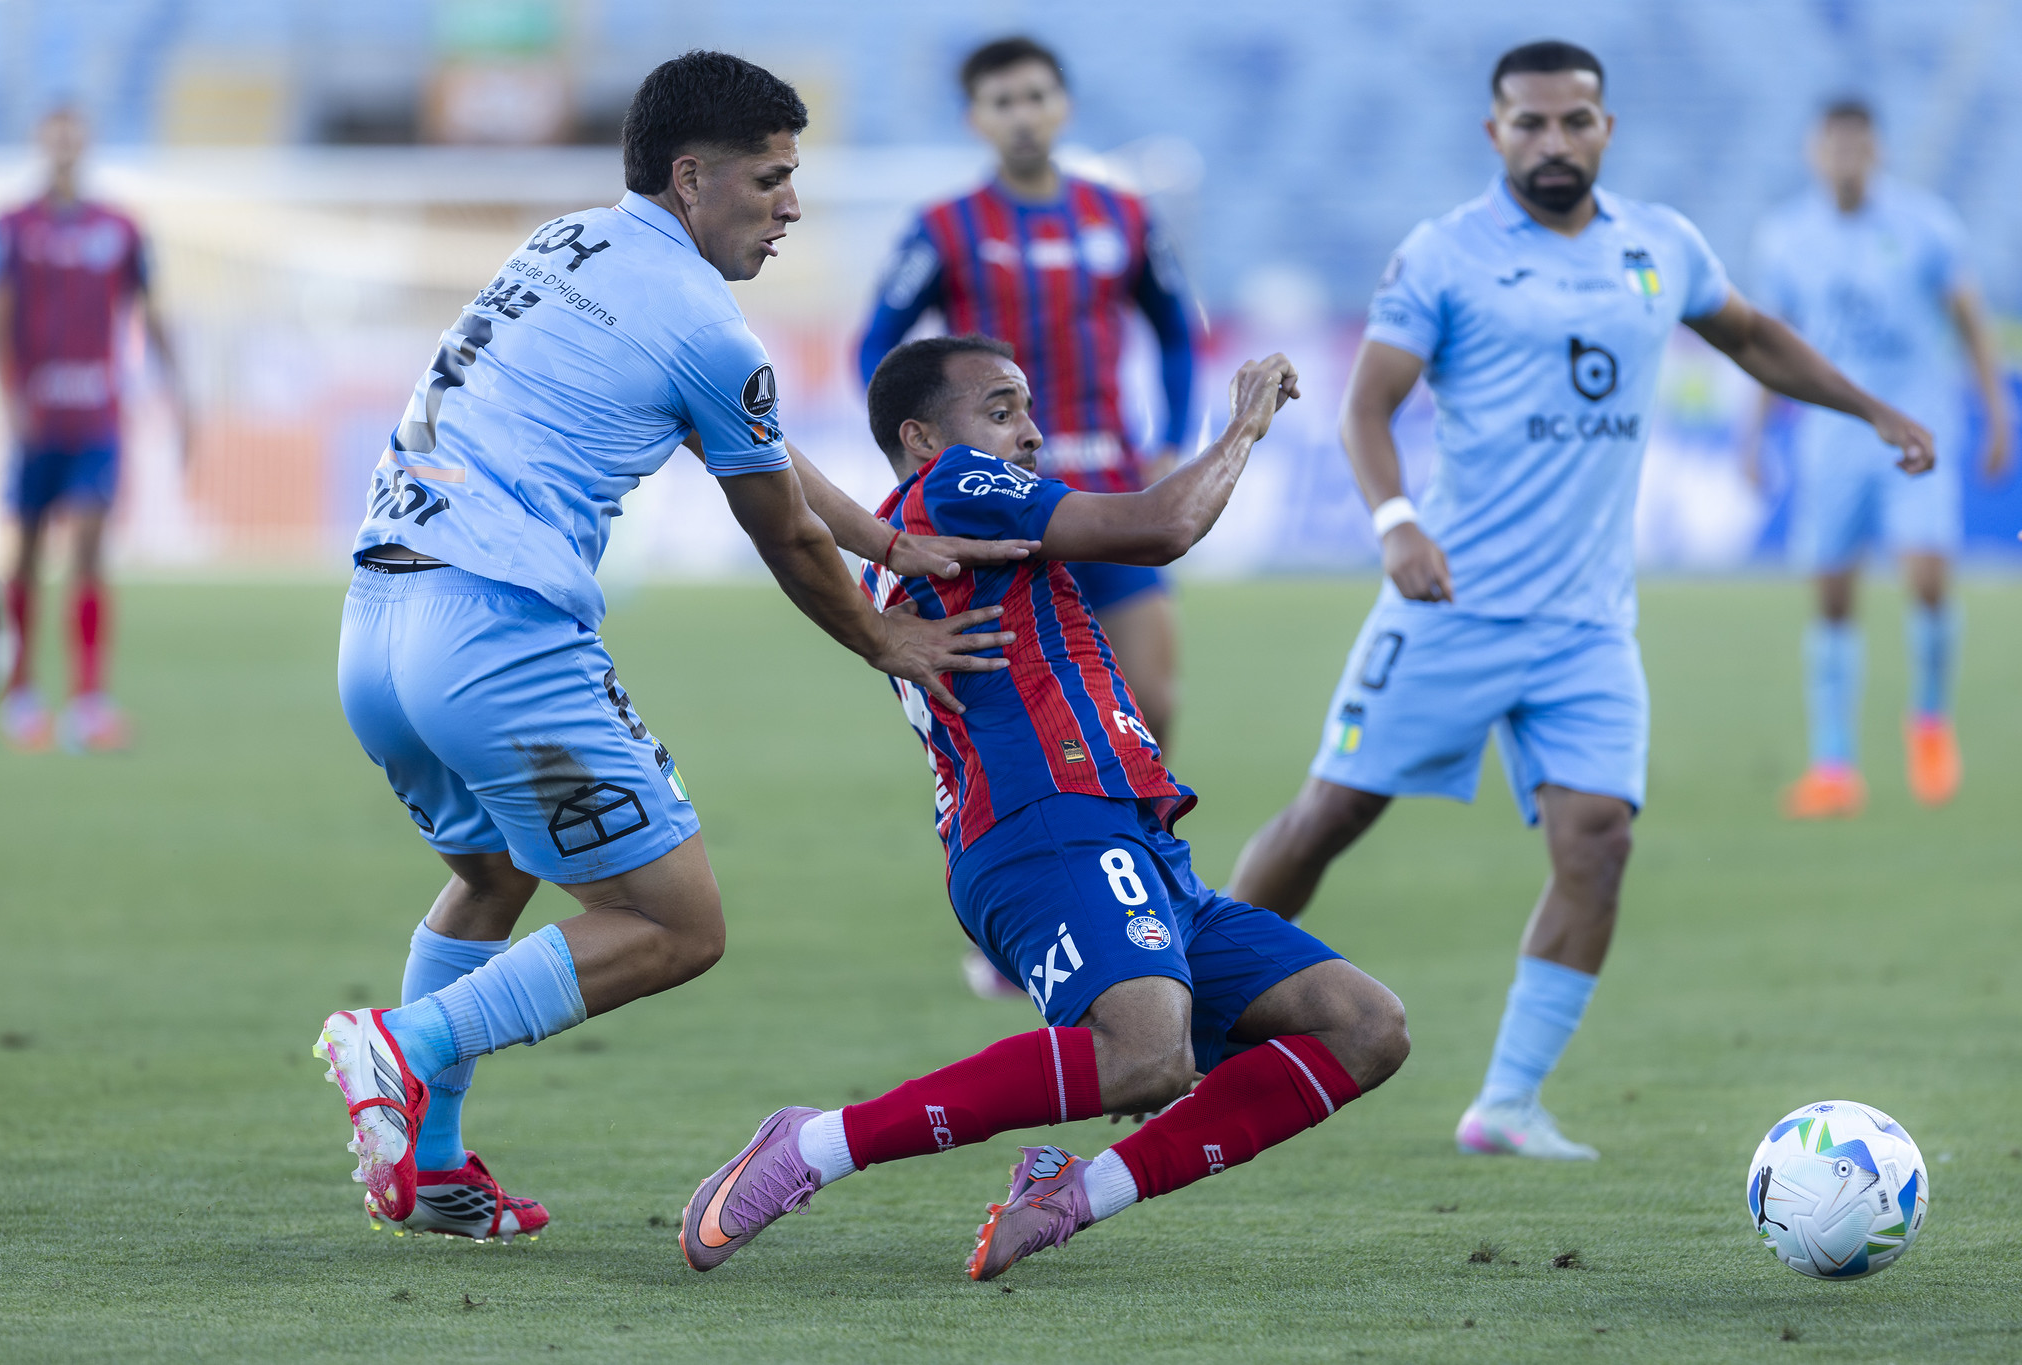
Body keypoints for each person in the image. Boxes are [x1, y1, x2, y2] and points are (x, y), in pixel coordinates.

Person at [314, 52, 1035, 1244]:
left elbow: (747, 442)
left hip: (380, 629)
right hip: (497, 642)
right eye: (770, 178)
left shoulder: (565, 243)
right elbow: (781, 533)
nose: (791, 205)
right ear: (692, 178)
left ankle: (429, 1165)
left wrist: (884, 541)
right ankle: (401, 1044)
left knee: (493, 875)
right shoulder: (705, 324)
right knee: (674, 926)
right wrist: (884, 637)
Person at [1228, 42, 1934, 1162]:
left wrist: (1869, 408)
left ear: (1606, 128)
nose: (1552, 142)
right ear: (1493, 133)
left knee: (1598, 842)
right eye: (1530, 123)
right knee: (1328, 818)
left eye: (1574, 121)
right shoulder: (1444, 253)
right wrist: (1395, 522)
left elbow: (1752, 336)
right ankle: (1197, 1009)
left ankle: (1506, 1104)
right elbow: (1365, 408)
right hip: (1450, 603)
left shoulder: (1660, 245)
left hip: (1588, 626)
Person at [677, 335, 1411, 1283]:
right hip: (1043, 823)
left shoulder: (942, 531)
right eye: (1001, 409)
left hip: (1126, 833)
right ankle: (813, 1145)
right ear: (921, 436)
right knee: (1145, 1054)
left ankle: (1074, 1193)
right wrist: (1244, 426)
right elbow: (1162, 526)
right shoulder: (950, 487)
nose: (1029, 431)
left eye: (1027, 409)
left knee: (1364, 1025)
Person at [858, 35, 1198, 1000]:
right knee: (1001, 717)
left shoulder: (1123, 215)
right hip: (991, 507)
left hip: (1103, 494)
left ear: (1063, 104)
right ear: (977, 118)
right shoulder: (946, 227)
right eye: (1002, 100)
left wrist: (1171, 438)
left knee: (1152, 695)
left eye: (1036, 95)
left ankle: (1129, 876)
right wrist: (916, 460)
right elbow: (878, 345)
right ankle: (1024, 905)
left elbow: (1176, 329)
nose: (1022, 113)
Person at [1749, 99, 2011, 818]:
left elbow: (1971, 320)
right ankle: (1834, 765)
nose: (1846, 159)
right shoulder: (1787, 237)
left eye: (1858, 147)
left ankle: (1929, 722)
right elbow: (1768, 341)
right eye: (1834, 146)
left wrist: (1997, 413)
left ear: (1878, 152)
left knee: (1927, 576)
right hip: (1832, 442)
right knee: (1832, 597)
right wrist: (1753, 434)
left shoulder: (1926, 227)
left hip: (1917, 433)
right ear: (1814, 153)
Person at [0, 106, 184, 752]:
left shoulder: (120, 227)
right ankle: (21, 693)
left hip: (97, 415)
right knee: (27, 549)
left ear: (87, 142)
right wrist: (10, 395)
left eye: (74, 132)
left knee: (91, 544)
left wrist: (179, 391)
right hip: (38, 414)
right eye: (55, 132)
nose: (65, 143)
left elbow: (150, 311)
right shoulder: (14, 226)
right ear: (41, 141)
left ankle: (89, 701)